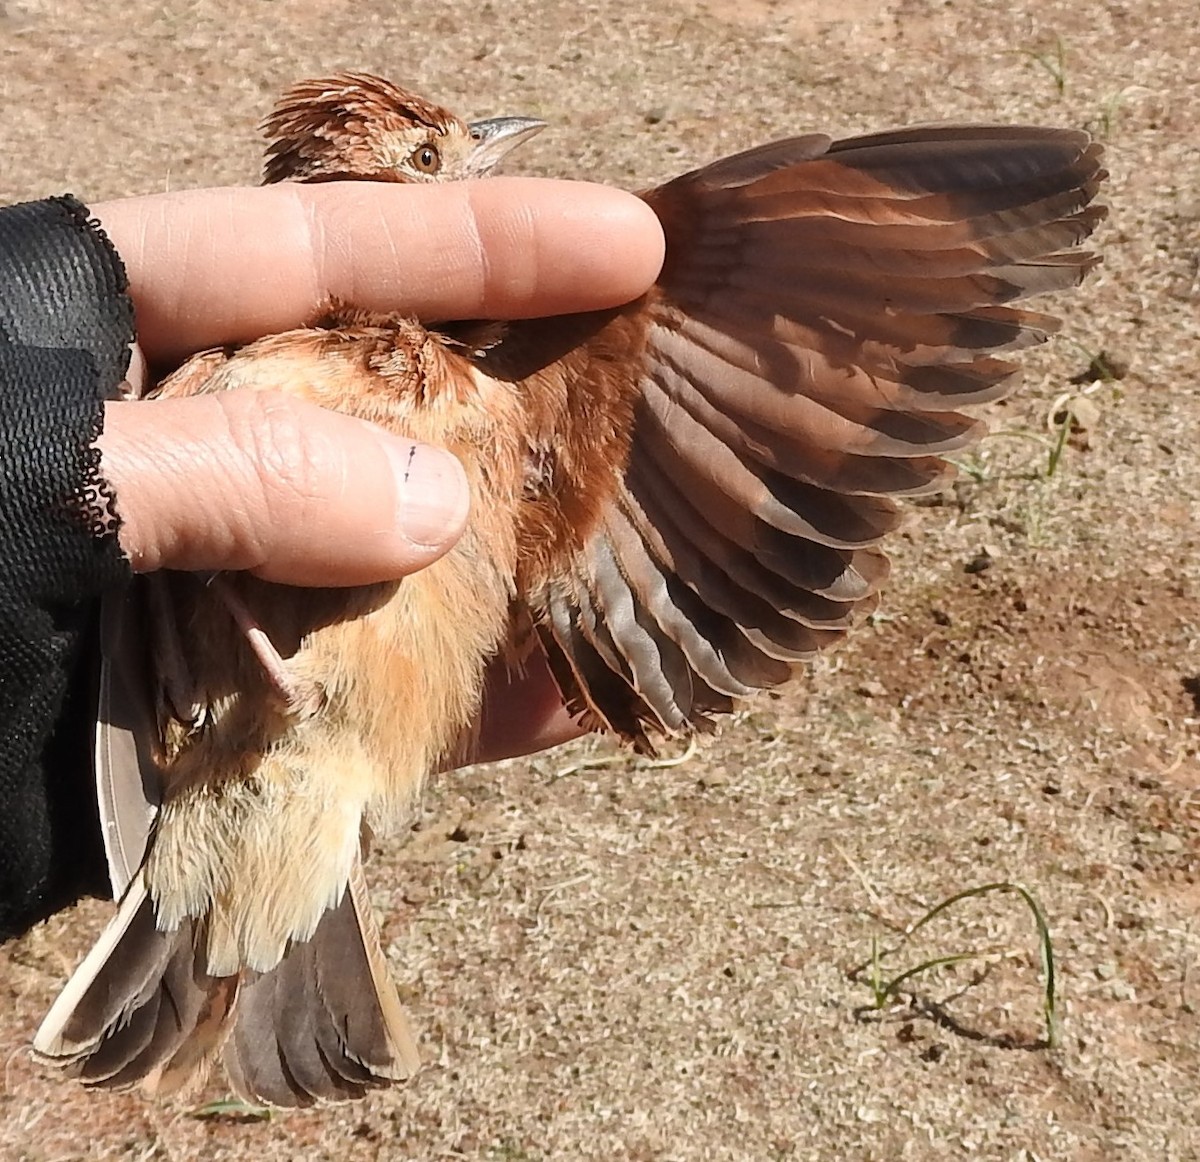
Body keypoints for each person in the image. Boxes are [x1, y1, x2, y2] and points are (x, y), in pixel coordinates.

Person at [0, 178, 666, 938]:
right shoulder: (255, 332)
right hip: (188, 725)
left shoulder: (498, 385)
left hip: (319, 729)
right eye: (427, 160)